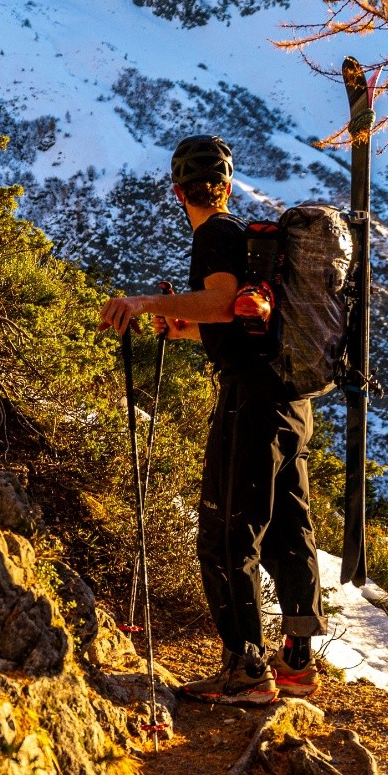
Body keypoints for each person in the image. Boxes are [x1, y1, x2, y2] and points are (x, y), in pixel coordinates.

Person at [99, 134, 327, 705]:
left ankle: (246, 671)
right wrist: (187, 327)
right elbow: (245, 319)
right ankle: (297, 661)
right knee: (287, 528)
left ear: (178, 193)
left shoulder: (214, 237)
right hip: (292, 401)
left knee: (228, 531)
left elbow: (223, 299)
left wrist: (147, 304)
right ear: (226, 187)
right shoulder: (250, 238)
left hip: (250, 401)